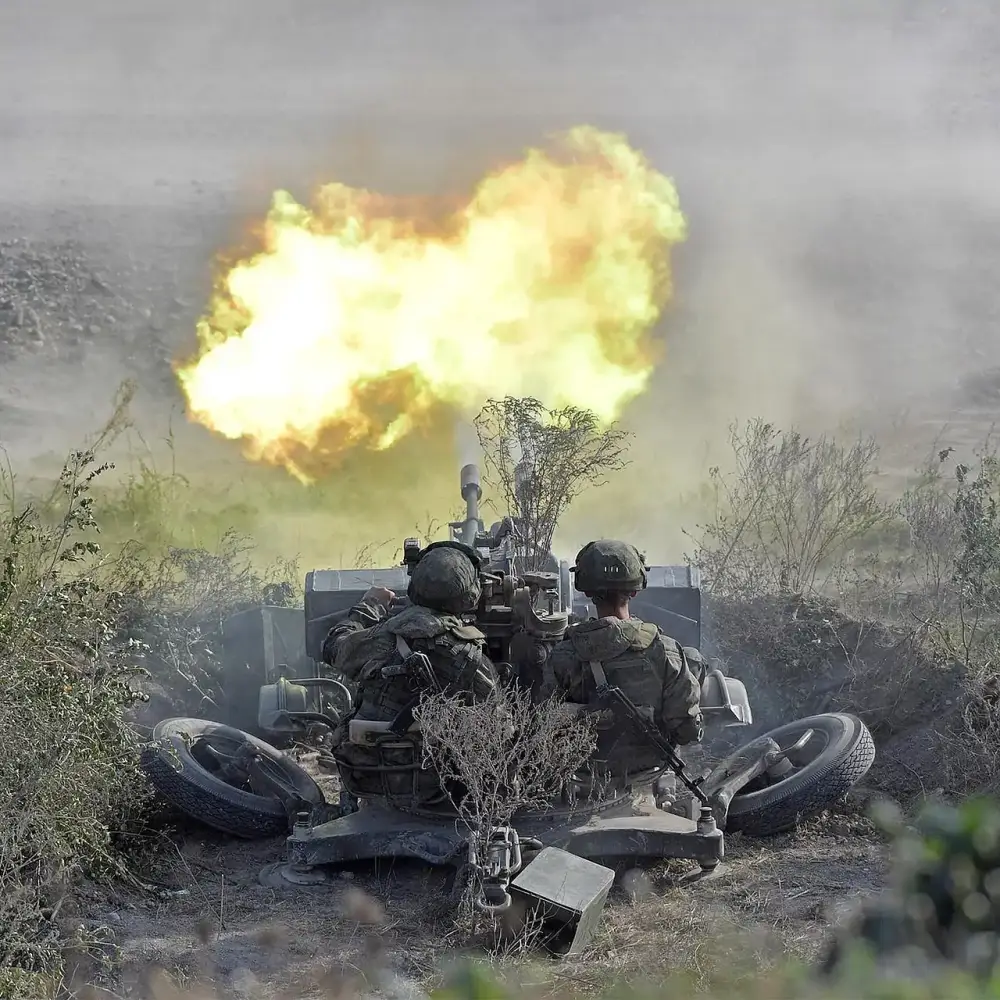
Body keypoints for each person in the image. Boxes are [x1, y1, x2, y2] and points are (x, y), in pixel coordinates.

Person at [322, 540, 500, 806]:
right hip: (438, 787)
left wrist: (370, 605)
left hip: (366, 776)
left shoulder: (377, 641)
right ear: (469, 596)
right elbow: (496, 729)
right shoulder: (473, 660)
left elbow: (334, 646)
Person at [541, 539, 704, 779]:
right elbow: (687, 732)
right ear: (636, 590)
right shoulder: (666, 652)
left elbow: (546, 726)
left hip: (583, 786)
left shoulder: (563, 656)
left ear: (586, 591)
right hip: (651, 778)